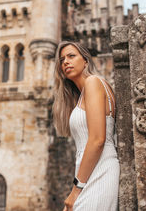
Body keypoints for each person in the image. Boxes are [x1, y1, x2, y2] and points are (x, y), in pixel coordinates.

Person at [52, 41, 120, 211]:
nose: (65, 61)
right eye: (62, 60)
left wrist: (75, 191)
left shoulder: (93, 82)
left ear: (86, 61)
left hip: (101, 171)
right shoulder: (84, 94)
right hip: (88, 175)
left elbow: (98, 140)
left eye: (71, 56)